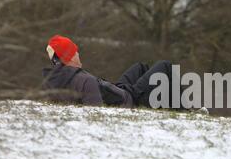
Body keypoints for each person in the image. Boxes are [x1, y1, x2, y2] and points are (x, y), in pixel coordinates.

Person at [42, 35, 190, 110]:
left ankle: (169, 103)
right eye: (75, 52)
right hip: (130, 99)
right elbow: (96, 112)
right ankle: (185, 110)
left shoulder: (54, 80)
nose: (78, 55)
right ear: (69, 57)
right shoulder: (84, 81)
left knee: (140, 67)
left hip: (118, 91)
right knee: (165, 66)